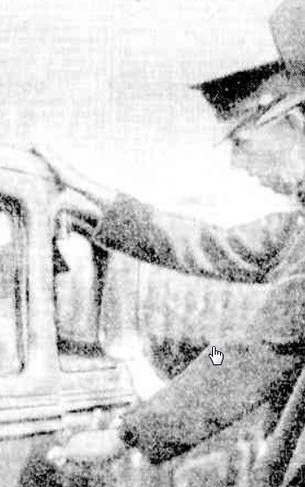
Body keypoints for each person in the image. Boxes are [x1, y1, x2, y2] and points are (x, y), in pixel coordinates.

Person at [47, 1, 305, 486]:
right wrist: (94, 193)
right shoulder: (296, 230)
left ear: (292, 123)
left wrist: (126, 434)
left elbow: (243, 351)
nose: (237, 165)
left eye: (240, 143)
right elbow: (204, 242)